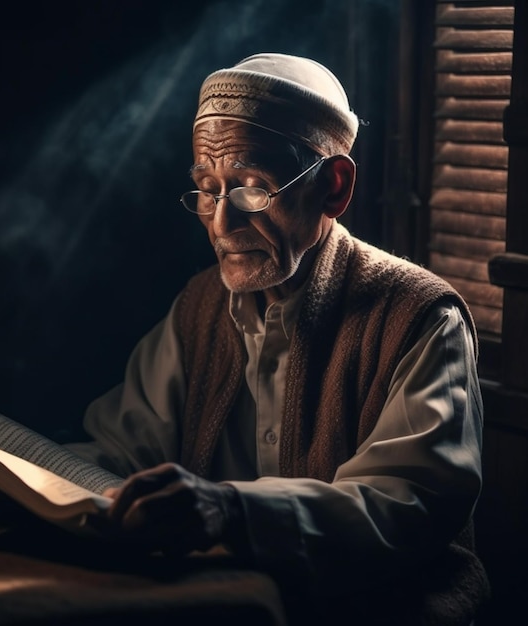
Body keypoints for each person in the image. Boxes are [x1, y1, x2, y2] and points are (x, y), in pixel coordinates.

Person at [69, 53, 489, 624]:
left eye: (251, 189)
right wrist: (4, 468)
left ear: (333, 189)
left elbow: (405, 504)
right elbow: (121, 452)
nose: (220, 224)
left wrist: (233, 511)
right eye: (207, 189)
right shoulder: (199, 306)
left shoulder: (419, 317)